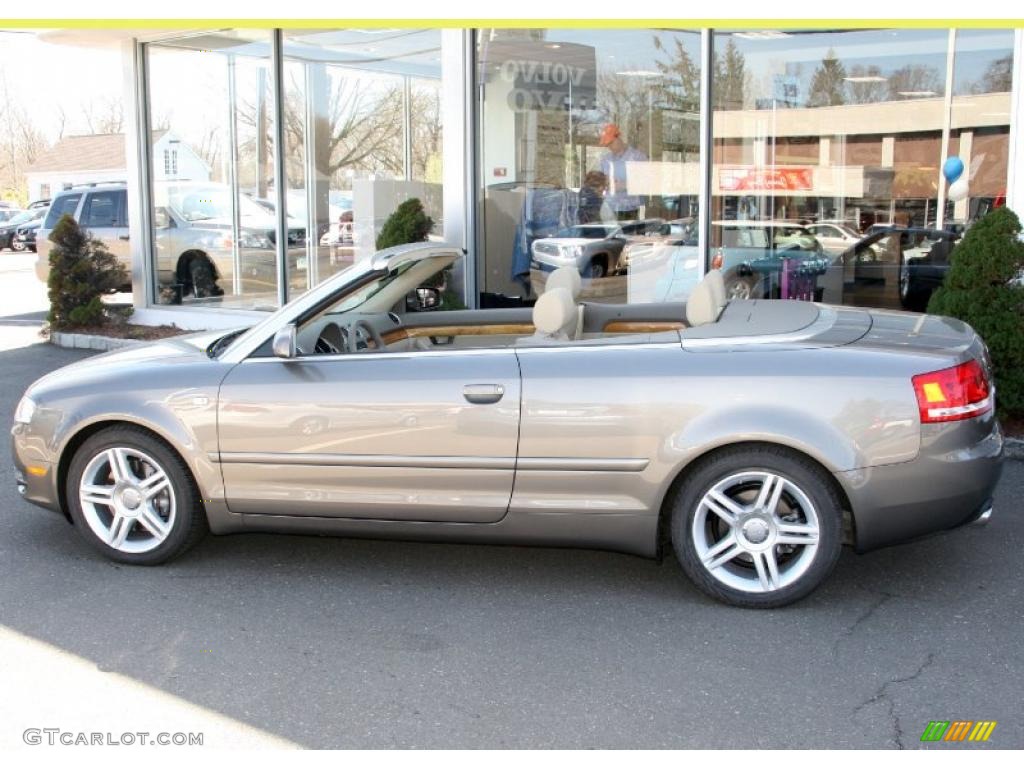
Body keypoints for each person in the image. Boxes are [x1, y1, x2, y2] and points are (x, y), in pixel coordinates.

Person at [598, 123, 647, 220]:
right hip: (610, 209)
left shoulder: (638, 158)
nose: (610, 147)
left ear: (619, 137)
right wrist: (604, 183)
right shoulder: (605, 160)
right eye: (607, 145)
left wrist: (624, 185)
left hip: (631, 209)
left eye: (611, 143)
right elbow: (599, 182)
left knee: (629, 235)